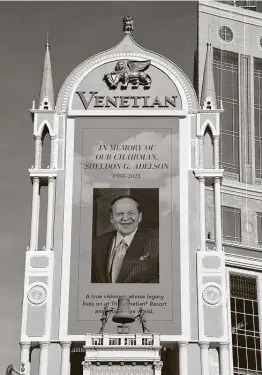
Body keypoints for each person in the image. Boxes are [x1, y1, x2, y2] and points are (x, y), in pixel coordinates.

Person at [91, 195, 159, 283]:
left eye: (131, 213)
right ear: (111, 218)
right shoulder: (97, 243)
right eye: (120, 214)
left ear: (139, 217)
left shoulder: (157, 241)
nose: (125, 218)